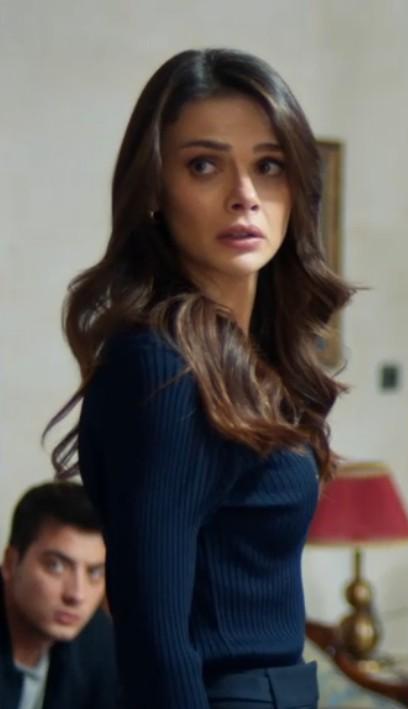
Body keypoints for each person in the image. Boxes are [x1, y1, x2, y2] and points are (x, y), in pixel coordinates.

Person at [44, 48, 353, 709]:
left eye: (268, 165)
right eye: (204, 165)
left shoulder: (249, 358)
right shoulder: (161, 367)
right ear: (155, 191)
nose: (245, 194)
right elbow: (156, 639)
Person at [1, 482, 117, 709]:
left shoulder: (98, 642)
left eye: (95, 573)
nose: (76, 594)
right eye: (55, 566)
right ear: (11, 563)